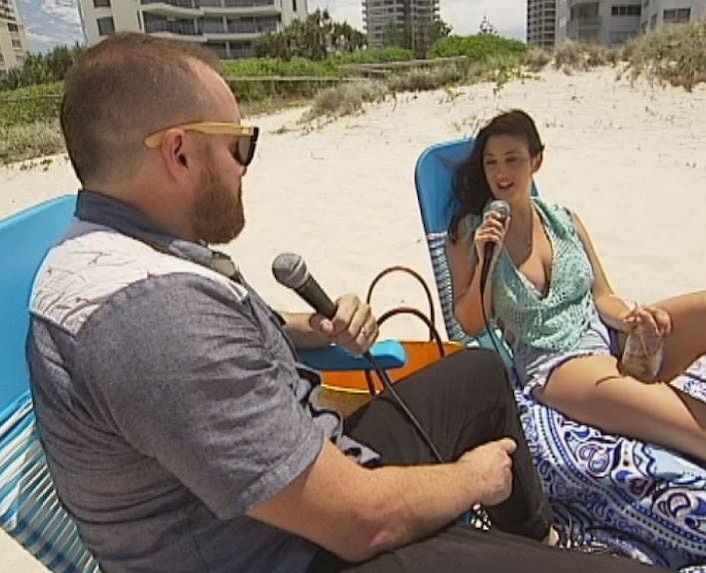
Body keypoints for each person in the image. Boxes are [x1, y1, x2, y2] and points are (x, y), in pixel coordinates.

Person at [25, 34, 664, 573]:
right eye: (240, 144)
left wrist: (312, 327)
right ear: (180, 151)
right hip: (297, 549)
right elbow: (361, 523)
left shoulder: (126, 248)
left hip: (299, 484)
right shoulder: (153, 320)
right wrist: (473, 479)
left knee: (479, 373)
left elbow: (240, 341)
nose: (246, 166)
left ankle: (533, 541)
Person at [447, 109, 706, 552]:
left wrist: (636, 319)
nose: (501, 173)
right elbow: (469, 323)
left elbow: (604, 296)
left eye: (512, 159)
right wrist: (486, 258)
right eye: (491, 163)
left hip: (607, 339)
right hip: (561, 366)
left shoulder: (564, 219)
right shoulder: (470, 233)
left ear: (537, 161)